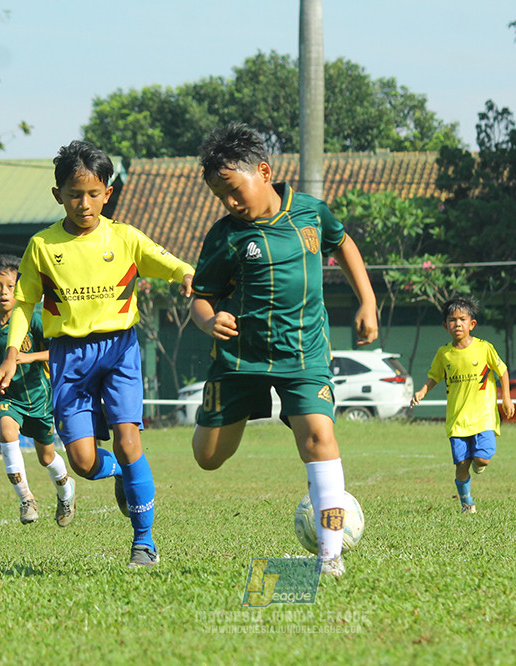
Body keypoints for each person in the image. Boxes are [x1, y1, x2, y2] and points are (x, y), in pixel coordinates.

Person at [0, 140, 194, 568]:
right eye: (74, 194)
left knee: (127, 440)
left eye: (93, 193)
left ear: (108, 192)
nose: (84, 203)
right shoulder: (43, 246)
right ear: (58, 195)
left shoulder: (124, 237)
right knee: (83, 462)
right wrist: (11, 353)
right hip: (69, 357)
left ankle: (144, 542)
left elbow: (170, 262)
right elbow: (25, 304)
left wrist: (186, 274)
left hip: (119, 350)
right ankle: (120, 472)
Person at [189, 123, 378, 579]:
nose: (230, 203)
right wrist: (209, 320)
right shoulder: (225, 237)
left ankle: (329, 555)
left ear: (265, 171)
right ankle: (236, 413)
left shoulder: (311, 213)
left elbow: (344, 243)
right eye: (220, 197)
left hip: (303, 355)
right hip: (240, 359)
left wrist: (368, 301)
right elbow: (200, 295)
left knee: (319, 437)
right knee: (208, 457)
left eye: (234, 190)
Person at [0, 255, 75, 526]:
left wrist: (27, 357)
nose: (4, 292)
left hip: (38, 397)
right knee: (5, 429)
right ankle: (26, 499)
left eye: (11, 286)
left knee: (46, 457)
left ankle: (65, 491)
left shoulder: (35, 319)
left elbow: (58, 352)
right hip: (6, 396)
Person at [410, 296, 514, 514]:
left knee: (482, 459)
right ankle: (467, 502)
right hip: (457, 419)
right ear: (445, 325)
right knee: (461, 465)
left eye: (462, 319)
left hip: (484, 416)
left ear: (472, 324)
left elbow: (502, 370)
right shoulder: (444, 353)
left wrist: (506, 397)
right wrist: (421, 391)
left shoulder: (484, 348)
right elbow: (434, 377)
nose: (457, 324)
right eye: (452, 319)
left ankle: (479, 462)